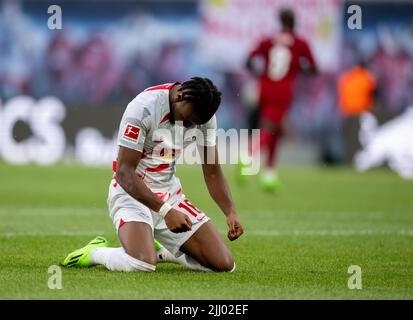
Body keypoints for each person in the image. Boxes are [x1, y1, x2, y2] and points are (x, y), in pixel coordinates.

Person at [62, 77, 244, 272]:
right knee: (142, 264)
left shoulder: (204, 117)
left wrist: (230, 212)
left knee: (224, 265)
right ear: (180, 97)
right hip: (131, 194)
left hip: (169, 195)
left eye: (196, 123)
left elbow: (213, 171)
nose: (190, 127)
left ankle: (163, 251)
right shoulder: (143, 108)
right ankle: (96, 252)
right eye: (189, 120)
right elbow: (124, 172)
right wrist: (165, 211)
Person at [243, 8, 317, 192]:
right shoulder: (300, 43)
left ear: (280, 22)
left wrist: (260, 74)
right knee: (269, 127)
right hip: (283, 90)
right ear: (294, 23)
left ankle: (269, 173)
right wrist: (299, 69)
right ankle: (249, 158)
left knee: (276, 129)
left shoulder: (268, 41)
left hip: (265, 87)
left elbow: (248, 60)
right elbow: (314, 69)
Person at [337, 60, 377, 163]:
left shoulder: (346, 77)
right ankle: (364, 161)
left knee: (350, 140)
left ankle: (348, 161)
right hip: (362, 113)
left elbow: (342, 93)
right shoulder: (367, 77)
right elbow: (374, 94)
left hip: (348, 113)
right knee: (363, 140)